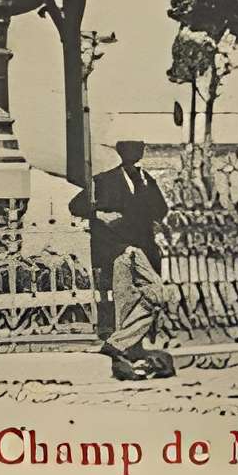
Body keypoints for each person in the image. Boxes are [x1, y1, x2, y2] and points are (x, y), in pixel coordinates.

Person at [70, 133, 178, 380]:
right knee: (126, 298)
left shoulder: (147, 180)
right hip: (117, 251)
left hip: (144, 251)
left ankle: (118, 343)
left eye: (139, 150)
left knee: (157, 295)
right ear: (122, 153)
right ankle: (128, 350)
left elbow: (161, 210)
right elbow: (76, 206)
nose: (135, 156)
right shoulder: (104, 181)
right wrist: (99, 214)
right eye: (131, 151)